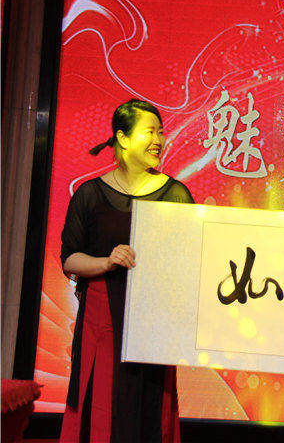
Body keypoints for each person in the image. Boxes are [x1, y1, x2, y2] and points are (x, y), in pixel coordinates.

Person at [60, 99, 193, 443]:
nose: (159, 140)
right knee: (100, 406)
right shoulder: (90, 194)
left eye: (161, 132)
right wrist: (106, 261)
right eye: (150, 132)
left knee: (147, 410)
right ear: (122, 137)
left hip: (153, 327)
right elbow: (70, 259)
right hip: (102, 323)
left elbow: (190, 259)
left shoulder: (175, 195)